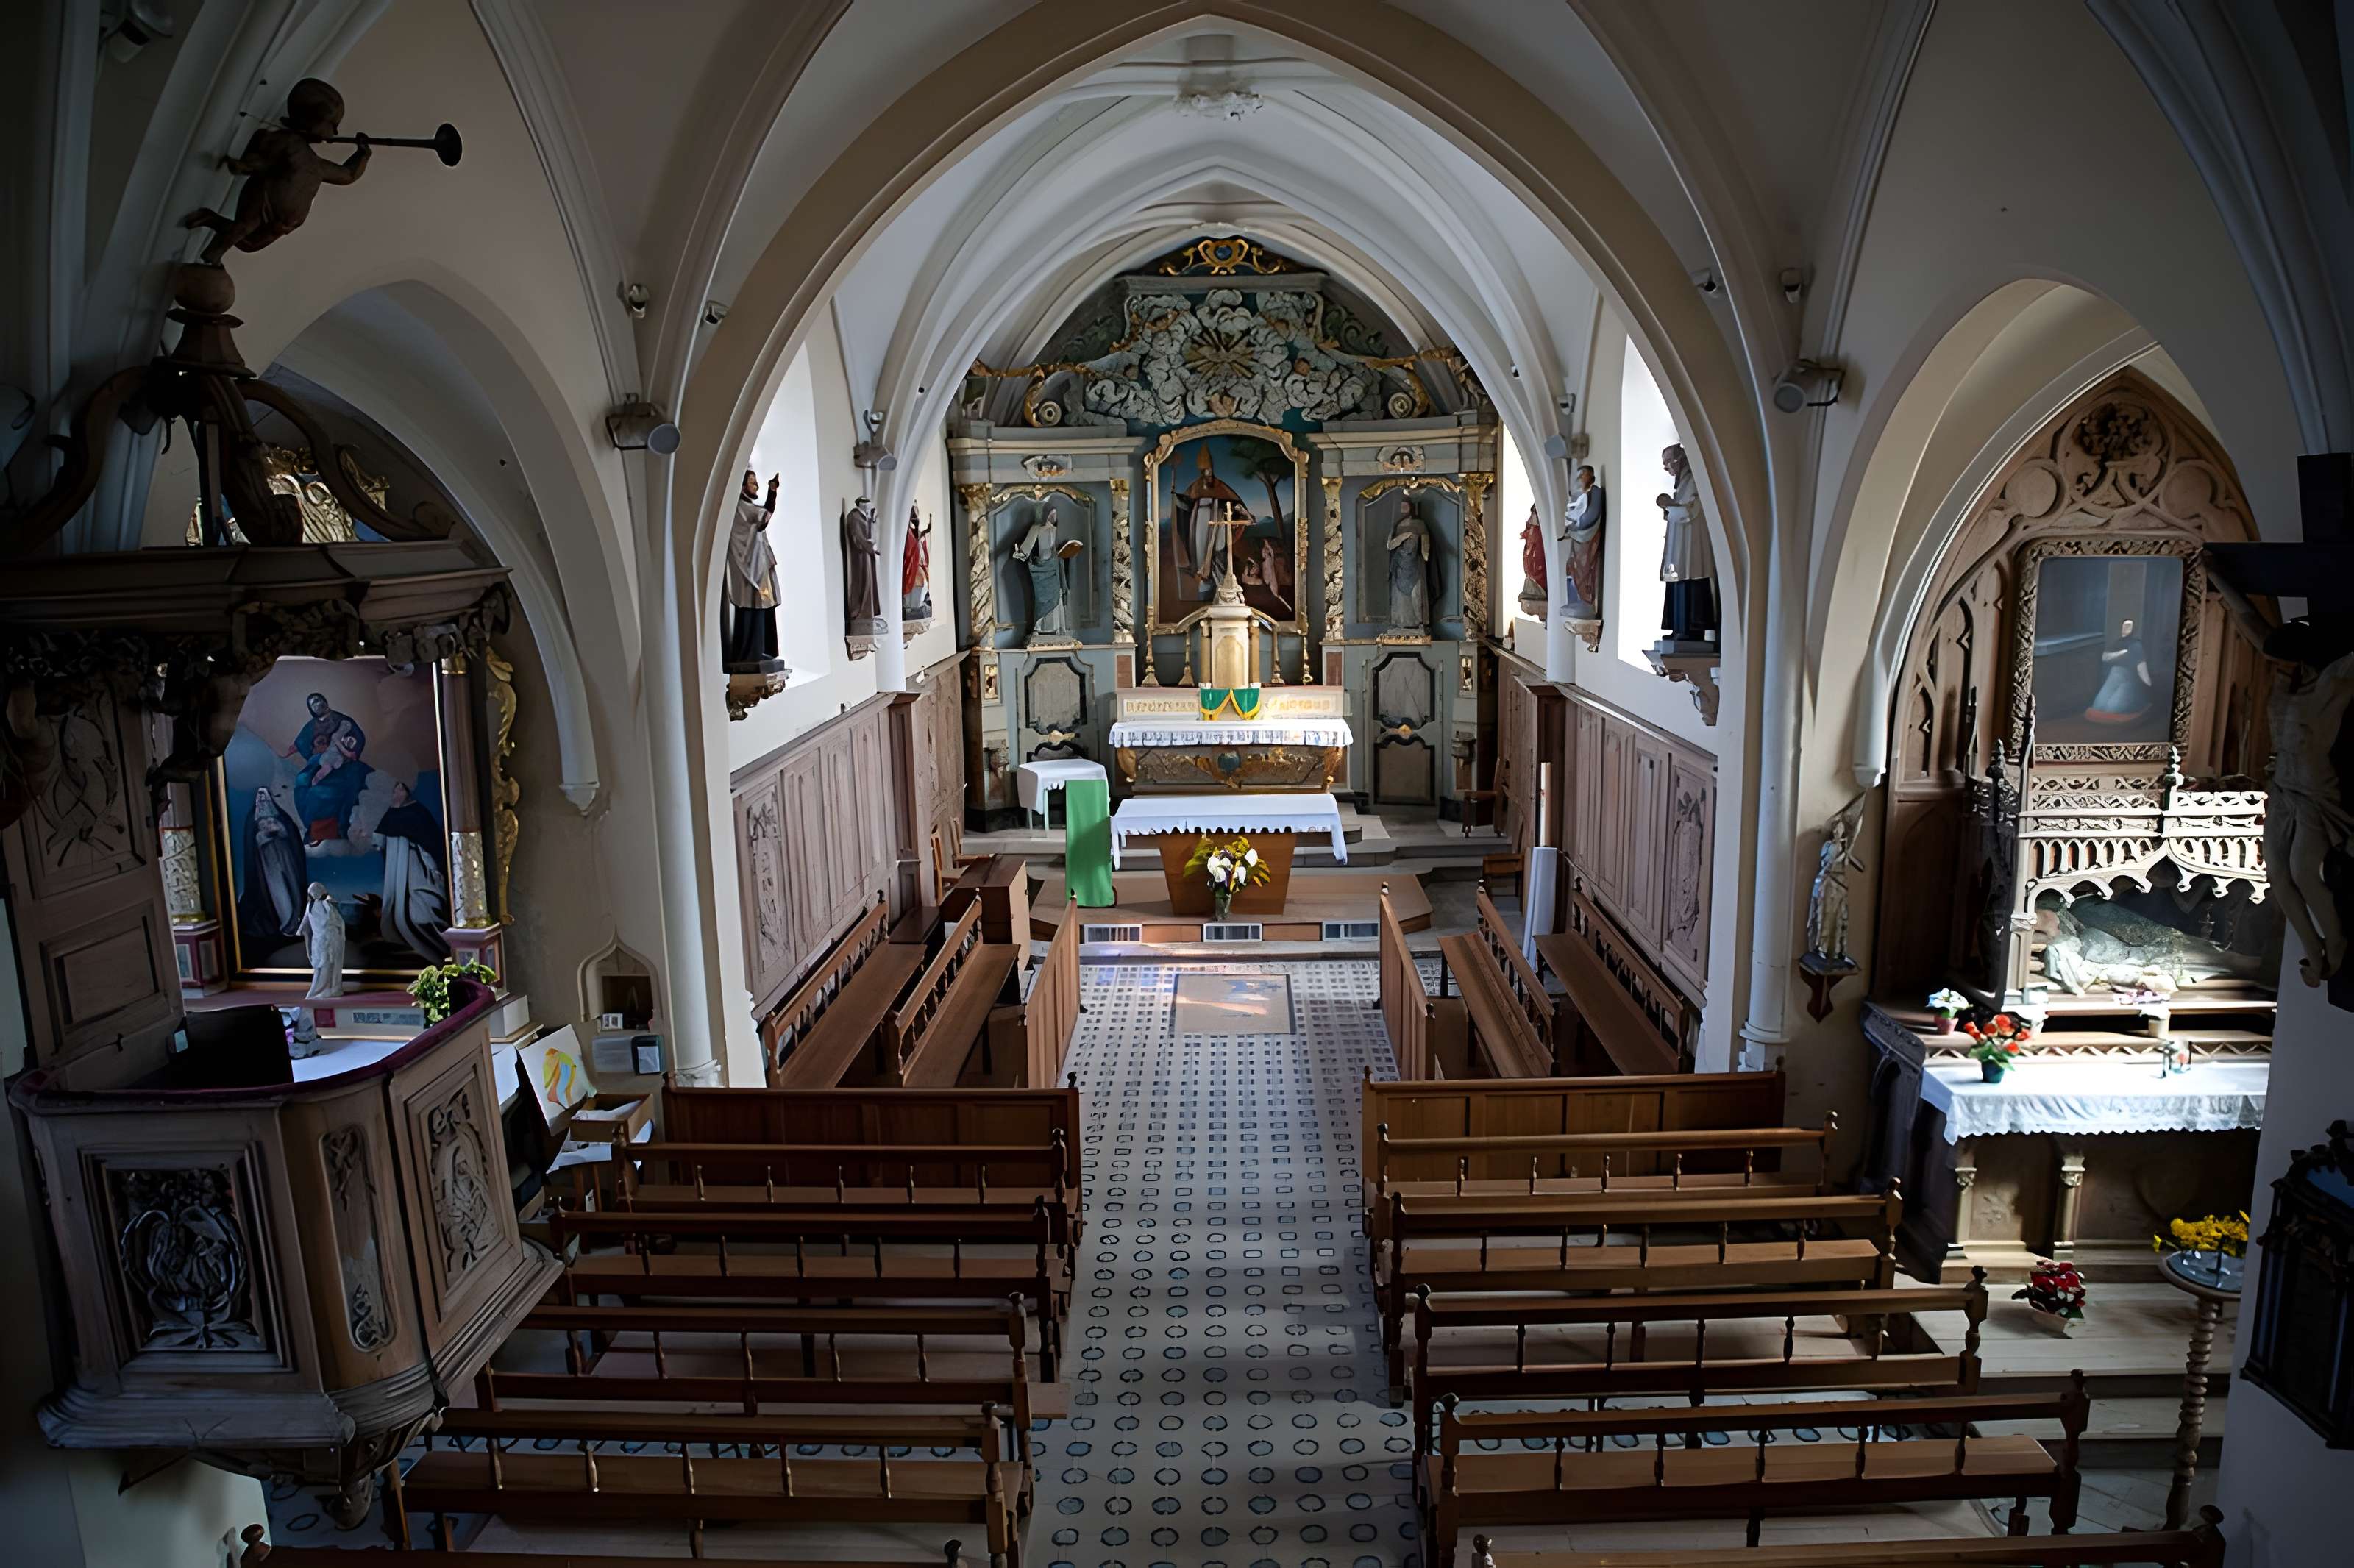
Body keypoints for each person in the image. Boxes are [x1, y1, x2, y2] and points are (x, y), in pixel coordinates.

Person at [369, 780, 452, 961]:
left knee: (421, 898)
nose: (398, 793)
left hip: (416, 861)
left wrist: (431, 864)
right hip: (397, 865)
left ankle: (435, 939)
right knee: (399, 905)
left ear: (407, 792)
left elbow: (429, 839)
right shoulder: (392, 812)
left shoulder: (418, 811)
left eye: (401, 789)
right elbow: (379, 838)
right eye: (395, 790)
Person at [723, 468, 784, 673]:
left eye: (756, 482)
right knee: (753, 610)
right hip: (749, 570)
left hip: (758, 565)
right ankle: (751, 652)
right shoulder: (741, 507)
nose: (755, 486)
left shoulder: (745, 506)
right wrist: (772, 493)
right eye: (752, 482)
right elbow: (763, 516)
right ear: (742, 486)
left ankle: (761, 650)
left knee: (763, 608)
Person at [1654, 443, 1716, 644]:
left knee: (1690, 581)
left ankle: (1690, 630)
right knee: (1678, 581)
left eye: (1668, 462)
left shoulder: (1695, 479)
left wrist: (1669, 506)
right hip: (1680, 544)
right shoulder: (1683, 482)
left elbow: (1691, 510)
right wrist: (1668, 508)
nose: (1666, 468)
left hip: (1691, 546)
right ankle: (1679, 628)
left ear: (1679, 460)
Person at [237, 788, 309, 945]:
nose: (262, 800)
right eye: (259, 797)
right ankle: (285, 924)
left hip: (286, 861)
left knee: (293, 892)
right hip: (268, 867)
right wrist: (263, 836)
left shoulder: (283, 818)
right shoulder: (253, 821)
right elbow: (252, 845)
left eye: (264, 797)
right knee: (279, 895)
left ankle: (294, 924)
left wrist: (280, 831)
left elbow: (291, 835)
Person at [294, 722, 372, 844]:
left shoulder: (356, 767)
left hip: (344, 808)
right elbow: (303, 781)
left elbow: (369, 782)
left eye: (352, 742)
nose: (324, 746)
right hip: (319, 806)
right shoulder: (318, 760)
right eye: (320, 743)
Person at [1014, 504, 1072, 641]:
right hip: (1044, 567)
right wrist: (1022, 553)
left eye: (1054, 515)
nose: (1053, 516)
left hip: (1054, 564)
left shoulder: (1054, 528)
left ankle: (1059, 628)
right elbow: (1028, 546)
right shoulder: (1036, 529)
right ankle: (1039, 628)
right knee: (1043, 599)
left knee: (1058, 596)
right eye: (1051, 514)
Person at [2085, 617, 2154, 724]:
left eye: (2128, 626)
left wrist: (2148, 686)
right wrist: (2121, 653)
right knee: (2099, 706)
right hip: (2115, 676)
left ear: (2133, 629)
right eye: (2124, 626)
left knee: (2112, 708)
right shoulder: (2117, 643)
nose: (2125, 628)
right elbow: (2105, 657)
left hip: (2129, 679)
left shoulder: (2136, 645)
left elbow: (2142, 670)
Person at [1560, 463, 1606, 619]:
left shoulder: (1596, 492)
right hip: (1577, 537)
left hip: (1588, 538)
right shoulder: (1580, 495)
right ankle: (1574, 600)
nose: (1581, 478)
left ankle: (1585, 601)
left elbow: (1592, 514)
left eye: (1584, 474)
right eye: (1579, 475)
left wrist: (1576, 524)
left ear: (1591, 476)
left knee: (1586, 570)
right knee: (1572, 567)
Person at [1386, 496, 1432, 632]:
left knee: (1416, 594)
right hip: (1400, 565)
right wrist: (1404, 535)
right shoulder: (1397, 525)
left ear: (1411, 508)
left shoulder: (1420, 524)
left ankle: (1420, 622)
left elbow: (1425, 545)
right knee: (1399, 597)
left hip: (1414, 565)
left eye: (1405, 506)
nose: (1403, 510)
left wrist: (1425, 553)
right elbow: (1390, 545)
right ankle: (1399, 622)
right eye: (1401, 507)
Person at [282, 691, 362, 767]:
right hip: (321, 762)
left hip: (342, 761)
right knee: (303, 778)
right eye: (314, 703)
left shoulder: (342, 719)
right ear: (311, 709)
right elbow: (300, 743)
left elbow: (358, 737)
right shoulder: (311, 726)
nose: (319, 703)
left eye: (319, 700)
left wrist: (348, 753)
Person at [301, 882, 347, 1000]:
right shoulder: (324, 905)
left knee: (322, 967)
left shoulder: (310, 906)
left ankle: (326, 989)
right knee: (329, 965)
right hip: (329, 941)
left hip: (318, 941)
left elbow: (306, 926)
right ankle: (329, 989)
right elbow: (333, 921)